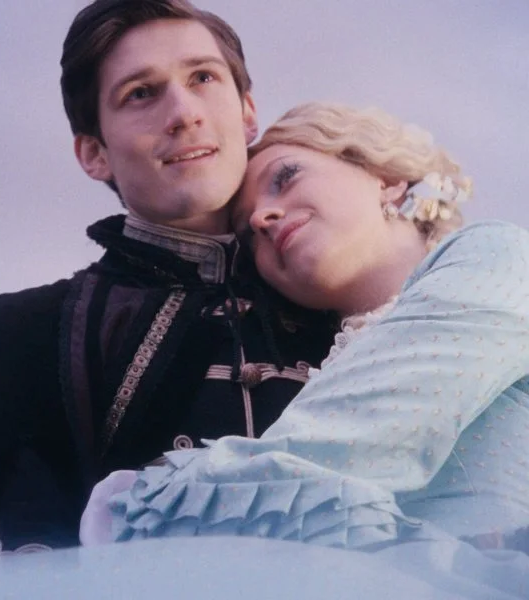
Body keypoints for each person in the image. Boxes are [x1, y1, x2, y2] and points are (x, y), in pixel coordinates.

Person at [0, 2, 337, 598]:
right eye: (141, 93)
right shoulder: (26, 333)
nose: (184, 114)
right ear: (94, 153)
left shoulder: (347, 309)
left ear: (247, 111)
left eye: (202, 77)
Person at [80, 102, 529, 562]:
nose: (261, 219)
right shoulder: (315, 371)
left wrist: (141, 502)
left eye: (285, 177)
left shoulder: (494, 253)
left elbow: (333, 455)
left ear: (387, 178)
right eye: (247, 233)